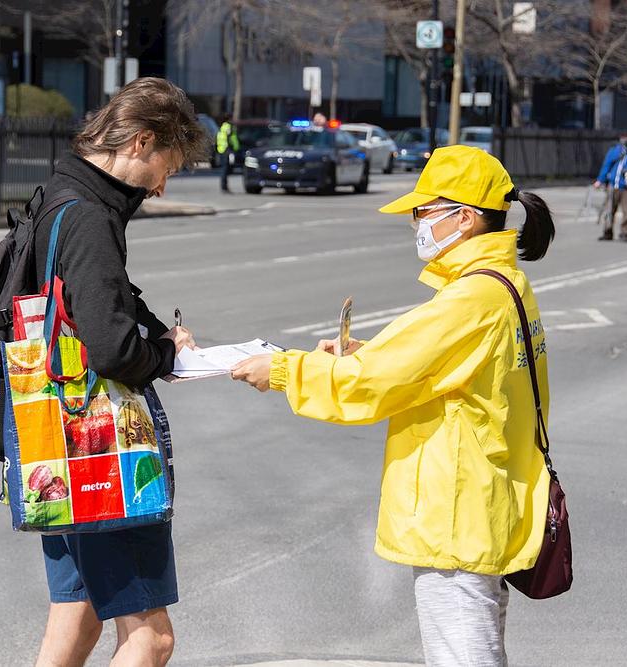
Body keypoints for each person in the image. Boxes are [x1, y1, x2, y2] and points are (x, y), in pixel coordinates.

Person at [232, 145, 556, 666]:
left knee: (463, 654)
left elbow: (374, 385)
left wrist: (286, 371)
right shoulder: (501, 285)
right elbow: (428, 364)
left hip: (457, 514)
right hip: (484, 500)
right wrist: (366, 352)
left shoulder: (470, 300)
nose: (415, 223)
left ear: (467, 218)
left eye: (423, 211)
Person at [31, 77, 206, 667]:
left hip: (54, 445)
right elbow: (109, 348)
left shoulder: (60, 195)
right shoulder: (88, 217)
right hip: (99, 454)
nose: (162, 186)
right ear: (141, 141)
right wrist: (165, 357)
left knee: (74, 626)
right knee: (151, 639)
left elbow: (100, 298)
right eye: (168, 167)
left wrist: (155, 331)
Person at [594, 131, 627, 241]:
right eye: (623, 137)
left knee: (626, 211)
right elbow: (606, 166)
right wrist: (600, 180)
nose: (625, 139)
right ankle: (607, 232)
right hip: (612, 186)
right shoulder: (614, 151)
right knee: (609, 210)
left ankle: (624, 233)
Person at [216, 114, 239, 192]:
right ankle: (224, 186)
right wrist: (231, 149)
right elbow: (230, 138)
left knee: (224, 169)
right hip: (227, 150)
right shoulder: (229, 127)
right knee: (225, 169)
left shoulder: (223, 126)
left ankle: (224, 186)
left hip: (222, 150)